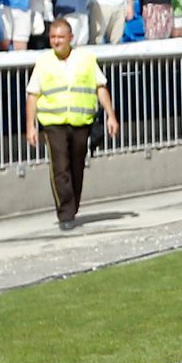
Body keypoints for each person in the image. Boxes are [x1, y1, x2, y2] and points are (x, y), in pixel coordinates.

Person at [24, 17, 120, 231]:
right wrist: (30, 126)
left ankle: (73, 205)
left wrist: (110, 115)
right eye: (53, 37)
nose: (56, 41)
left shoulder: (86, 59)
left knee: (77, 167)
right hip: (53, 122)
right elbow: (32, 95)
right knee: (60, 167)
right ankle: (65, 213)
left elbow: (100, 87)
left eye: (60, 37)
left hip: (81, 121)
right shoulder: (44, 62)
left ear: (70, 38)